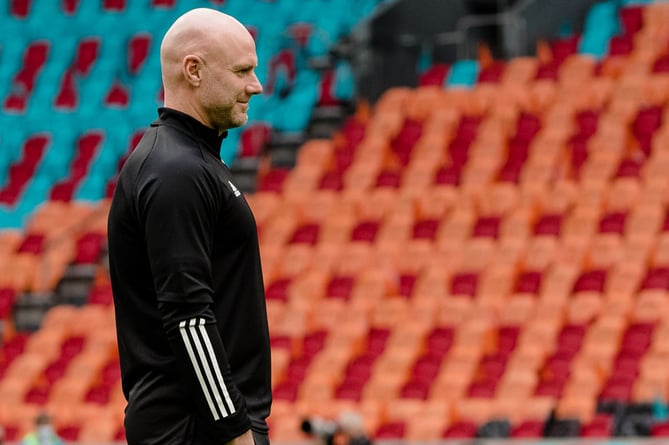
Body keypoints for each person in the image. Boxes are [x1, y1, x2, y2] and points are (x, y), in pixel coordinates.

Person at [107, 8, 270, 445]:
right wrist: (236, 430)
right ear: (193, 70)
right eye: (242, 71)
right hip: (194, 431)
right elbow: (189, 318)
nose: (256, 86)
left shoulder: (189, 161)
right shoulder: (175, 170)